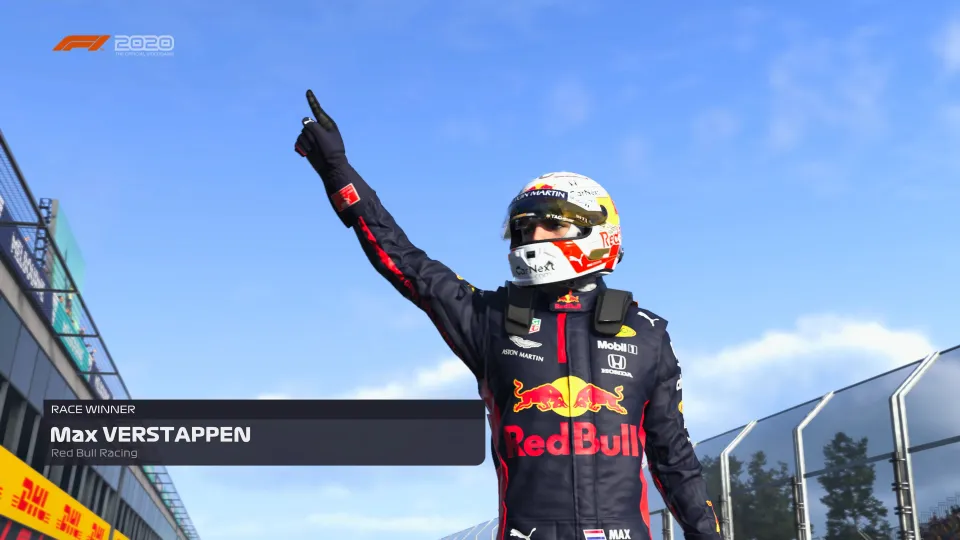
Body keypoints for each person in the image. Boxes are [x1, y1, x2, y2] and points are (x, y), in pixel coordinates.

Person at [294, 90, 722, 540]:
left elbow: (675, 461)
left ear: (598, 231)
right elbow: (404, 261)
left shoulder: (647, 333)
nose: (533, 236)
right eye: (523, 227)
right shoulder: (489, 319)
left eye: (551, 223)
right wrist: (337, 170)